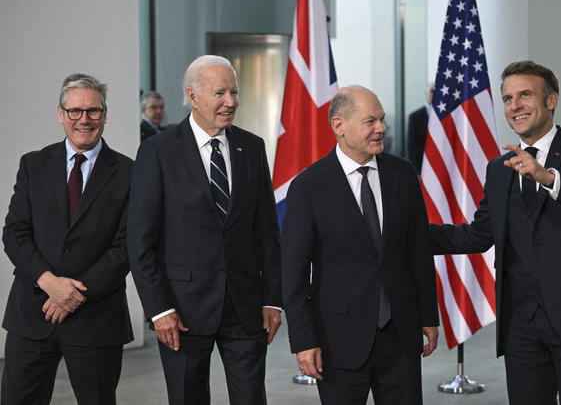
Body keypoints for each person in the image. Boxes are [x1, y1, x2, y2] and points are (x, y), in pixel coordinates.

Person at [430, 60, 561, 404]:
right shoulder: (498, 168)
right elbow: (479, 235)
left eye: (525, 95)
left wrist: (548, 177)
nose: (514, 105)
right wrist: (411, 232)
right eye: (507, 98)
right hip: (520, 326)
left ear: (551, 100)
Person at [128, 55, 282, 405]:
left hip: (246, 307)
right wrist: (159, 309)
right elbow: (141, 241)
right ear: (193, 96)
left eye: (234, 92)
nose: (230, 102)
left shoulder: (252, 147)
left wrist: (273, 298)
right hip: (181, 312)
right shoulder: (158, 152)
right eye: (220, 93)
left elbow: (267, 233)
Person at [282, 85, 439, 404]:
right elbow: (294, 274)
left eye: (381, 120)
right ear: (338, 125)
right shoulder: (308, 186)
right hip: (337, 341)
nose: (381, 128)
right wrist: (303, 340)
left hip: (401, 335)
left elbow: (419, 252)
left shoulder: (404, 174)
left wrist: (428, 316)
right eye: (370, 121)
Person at [1, 73, 134, 404]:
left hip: (96, 318)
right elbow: (15, 232)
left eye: (92, 111)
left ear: (105, 114)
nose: (83, 120)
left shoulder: (130, 172)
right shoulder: (33, 165)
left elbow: (128, 246)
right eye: (75, 111)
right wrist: (50, 283)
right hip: (32, 314)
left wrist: (74, 294)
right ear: (61, 114)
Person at [407, 82, 434, 174]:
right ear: (425, 93)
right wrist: (416, 172)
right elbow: (412, 148)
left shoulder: (448, 117)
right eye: (432, 91)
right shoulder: (414, 117)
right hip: (422, 169)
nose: (434, 94)